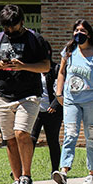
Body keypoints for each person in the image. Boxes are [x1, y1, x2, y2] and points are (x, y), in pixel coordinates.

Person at [0, 4, 50, 184]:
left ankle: (26, 177)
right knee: (10, 139)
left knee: (22, 133)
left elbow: (45, 66)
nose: (10, 31)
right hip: (2, 95)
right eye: (6, 28)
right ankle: (16, 178)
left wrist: (24, 66)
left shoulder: (35, 39)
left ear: (22, 22)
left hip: (28, 95)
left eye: (13, 27)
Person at [52, 19, 93, 184]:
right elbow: (61, 73)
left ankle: (92, 173)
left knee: (92, 136)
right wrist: (59, 93)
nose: (79, 33)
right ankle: (64, 171)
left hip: (92, 101)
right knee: (70, 134)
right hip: (71, 100)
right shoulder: (69, 51)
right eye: (76, 30)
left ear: (89, 34)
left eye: (82, 31)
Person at [30, 40, 63, 174]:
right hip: (36, 110)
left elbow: (61, 88)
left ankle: (55, 170)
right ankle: (22, 169)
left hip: (52, 111)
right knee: (30, 139)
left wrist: (55, 104)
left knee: (53, 140)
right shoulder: (32, 69)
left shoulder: (56, 69)